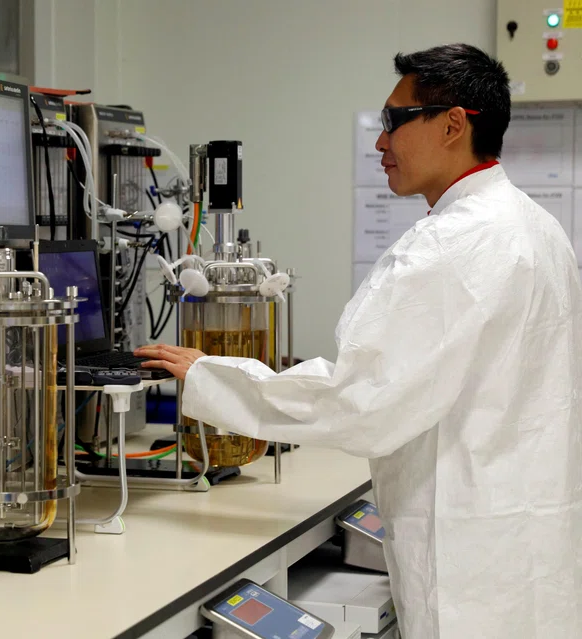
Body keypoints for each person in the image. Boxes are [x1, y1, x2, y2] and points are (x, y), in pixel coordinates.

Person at [135, 44, 582, 639]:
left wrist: (211, 376)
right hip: (529, 549)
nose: (380, 142)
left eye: (395, 121)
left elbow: (359, 402)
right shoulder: (538, 227)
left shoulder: (449, 248)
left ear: (454, 125)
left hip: (468, 560)